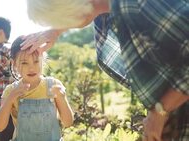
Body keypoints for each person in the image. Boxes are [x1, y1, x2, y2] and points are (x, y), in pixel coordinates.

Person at [21, 0, 189, 140]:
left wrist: (160, 111)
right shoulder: (108, 10)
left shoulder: (136, 5)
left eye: (58, 19)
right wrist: (56, 31)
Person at [0, 36, 74, 141]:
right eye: (24, 63)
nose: (31, 68)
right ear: (14, 64)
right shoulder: (11, 90)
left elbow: (68, 122)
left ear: (43, 60)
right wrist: (10, 98)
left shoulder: (53, 85)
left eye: (36, 61)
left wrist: (62, 98)